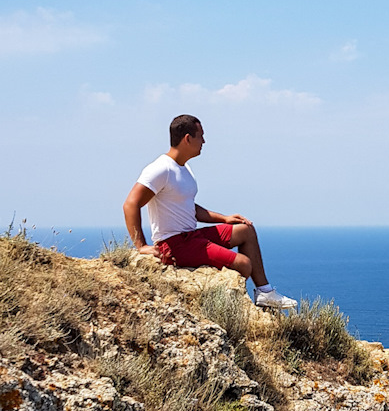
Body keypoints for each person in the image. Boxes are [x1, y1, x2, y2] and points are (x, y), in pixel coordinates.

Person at [123, 114, 296, 309]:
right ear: (188, 138)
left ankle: (264, 292)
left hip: (191, 236)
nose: (204, 141)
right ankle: (229, 308)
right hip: (174, 244)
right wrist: (141, 246)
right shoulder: (160, 169)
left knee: (245, 229)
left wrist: (225, 218)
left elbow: (189, 207)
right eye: (200, 136)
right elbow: (131, 204)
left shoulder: (184, 168)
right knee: (243, 263)